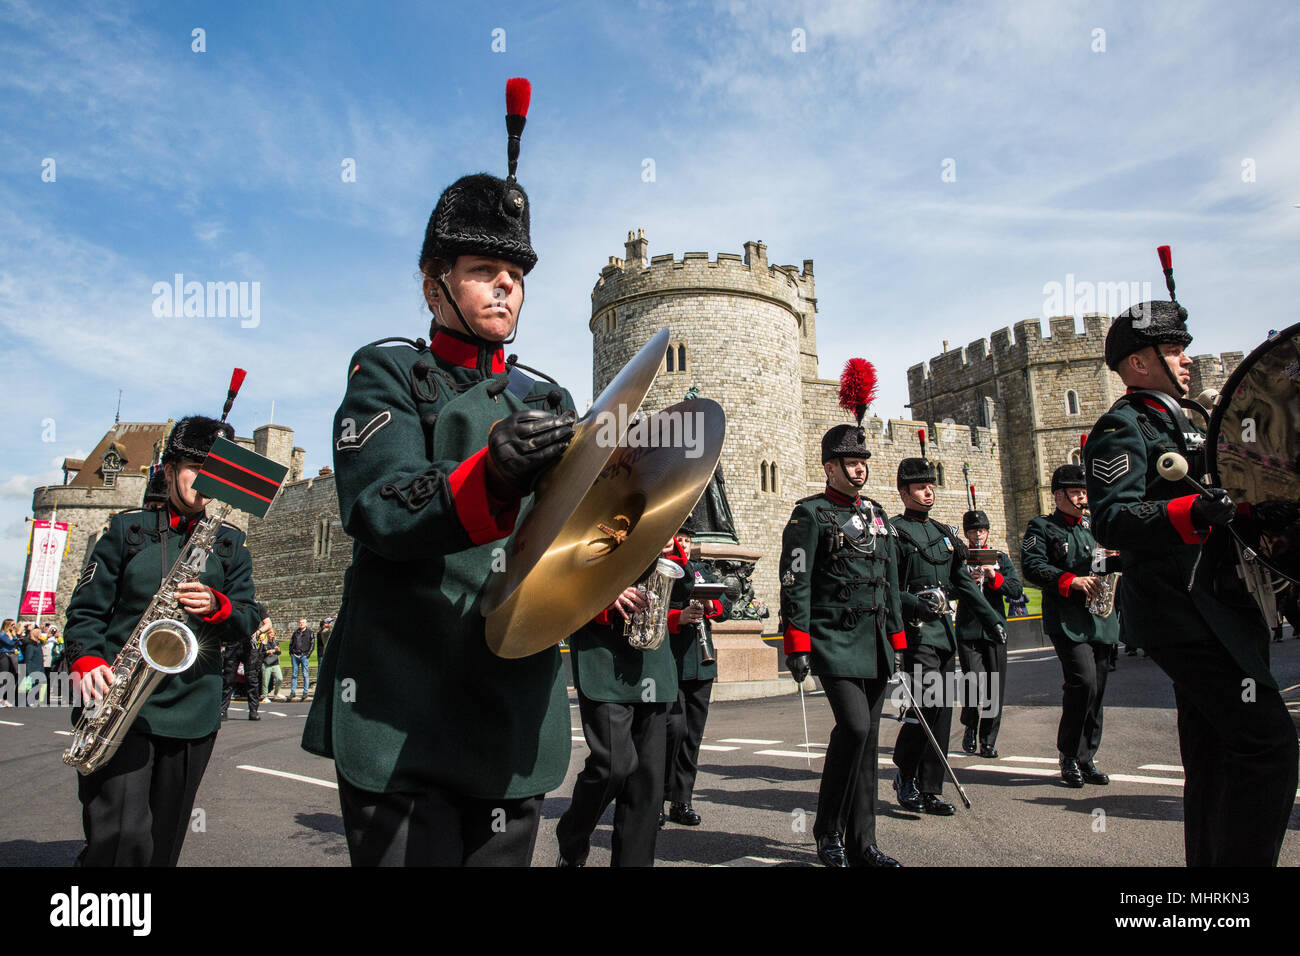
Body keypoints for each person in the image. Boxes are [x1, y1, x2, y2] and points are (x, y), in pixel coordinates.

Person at [302, 78, 579, 867]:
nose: (505, 285)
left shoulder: (549, 395)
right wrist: (489, 476)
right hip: (403, 705)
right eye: (484, 268)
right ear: (434, 285)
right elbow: (382, 506)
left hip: (510, 712)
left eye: (516, 274)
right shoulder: (385, 373)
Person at [1085, 275, 1297, 865]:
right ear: (1138, 362)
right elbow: (1113, 517)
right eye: (1175, 350)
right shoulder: (1124, 427)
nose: (1187, 358)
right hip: (1182, 608)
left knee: (1216, 754)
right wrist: (1190, 509)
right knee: (1268, 744)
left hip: (1222, 603)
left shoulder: (1192, 421)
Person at [64, 414, 261, 866]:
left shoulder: (230, 545)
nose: (202, 479)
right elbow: (85, 611)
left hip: (193, 709)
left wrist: (220, 606)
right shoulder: (125, 532)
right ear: (169, 470)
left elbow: (248, 617)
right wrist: (87, 660)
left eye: (214, 470)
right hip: (121, 701)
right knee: (119, 839)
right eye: (194, 467)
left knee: (163, 843)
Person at [780, 422, 906, 867]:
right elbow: (795, 582)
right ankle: (827, 831)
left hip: (874, 643)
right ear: (829, 467)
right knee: (853, 728)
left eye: (863, 463)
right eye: (851, 463)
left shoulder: (877, 515)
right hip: (833, 641)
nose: (859, 471)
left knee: (868, 742)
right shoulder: (808, 516)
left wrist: (897, 639)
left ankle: (863, 844)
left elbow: (889, 582)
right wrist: (796, 643)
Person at [557, 538, 685, 867]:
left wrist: (669, 543)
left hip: (651, 659)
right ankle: (572, 838)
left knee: (647, 785)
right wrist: (604, 593)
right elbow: (562, 566)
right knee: (614, 765)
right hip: (603, 651)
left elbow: (682, 587)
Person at [890, 457, 1005, 816]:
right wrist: (913, 604)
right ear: (904, 492)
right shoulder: (894, 533)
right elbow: (889, 587)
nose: (928, 492)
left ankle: (930, 788)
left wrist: (991, 620)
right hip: (915, 633)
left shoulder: (944, 535)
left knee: (941, 712)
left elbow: (965, 584)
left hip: (943, 634)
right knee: (925, 706)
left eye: (930, 486)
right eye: (920, 487)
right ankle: (905, 774)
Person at [1020, 464, 1120, 787]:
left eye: (1084, 491)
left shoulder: (1093, 525)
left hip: (1099, 617)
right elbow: (1032, 567)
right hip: (1067, 618)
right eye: (1076, 492)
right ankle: (1068, 753)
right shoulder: (1041, 528)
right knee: (1083, 682)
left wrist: (1113, 557)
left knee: (1098, 689)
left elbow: (1104, 562)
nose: (1082, 497)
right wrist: (1070, 580)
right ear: (1059, 495)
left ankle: (1086, 756)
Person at [661, 518, 733, 828]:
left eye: (688, 540)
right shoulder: (664, 570)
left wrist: (710, 607)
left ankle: (682, 801)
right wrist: (680, 616)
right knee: (670, 731)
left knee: (691, 736)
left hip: (701, 664)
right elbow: (653, 607)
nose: (684, 545)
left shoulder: (704, 570)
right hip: (671, 661)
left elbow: (726, 605)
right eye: (679, 539)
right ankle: (654, 801)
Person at [955, 509, 1023, 758]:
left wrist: (994, 576)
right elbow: (951, 590)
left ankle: (988, 739)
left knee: (995, 686)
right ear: (967, 534)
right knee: (972, 681)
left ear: (988, 532)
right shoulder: (960, 559)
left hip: (994, 629)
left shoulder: (1000, 558)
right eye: (973, 531)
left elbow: (1015, 589)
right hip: (969, 628)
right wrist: (968, 582)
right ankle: (970, 725)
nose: (977, 535)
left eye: (981, 530)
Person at [288, 618, 314, 701]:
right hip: (295, 655)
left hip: (304, 655)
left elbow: (312, 644)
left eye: (303, 623)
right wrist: (291, 652)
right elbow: (291, 642)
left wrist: (308, 654)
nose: (301, 624)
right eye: (300, 623)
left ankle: (305, 692)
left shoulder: (310, 633)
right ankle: (292, 692)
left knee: (305, 674)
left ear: (306, 624)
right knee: (294, 674)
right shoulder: (296, 632)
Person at [0, 619, 19, 706]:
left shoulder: (11, 635)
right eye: (12, 625)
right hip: (4, 655)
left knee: (11, 677)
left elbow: (19, 643)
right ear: (7, 625)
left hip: (12, 656)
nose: (13, 627)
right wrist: (14, 638)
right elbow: (10, 643)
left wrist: (14, 636)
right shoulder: (2, 635)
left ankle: (5, 699)